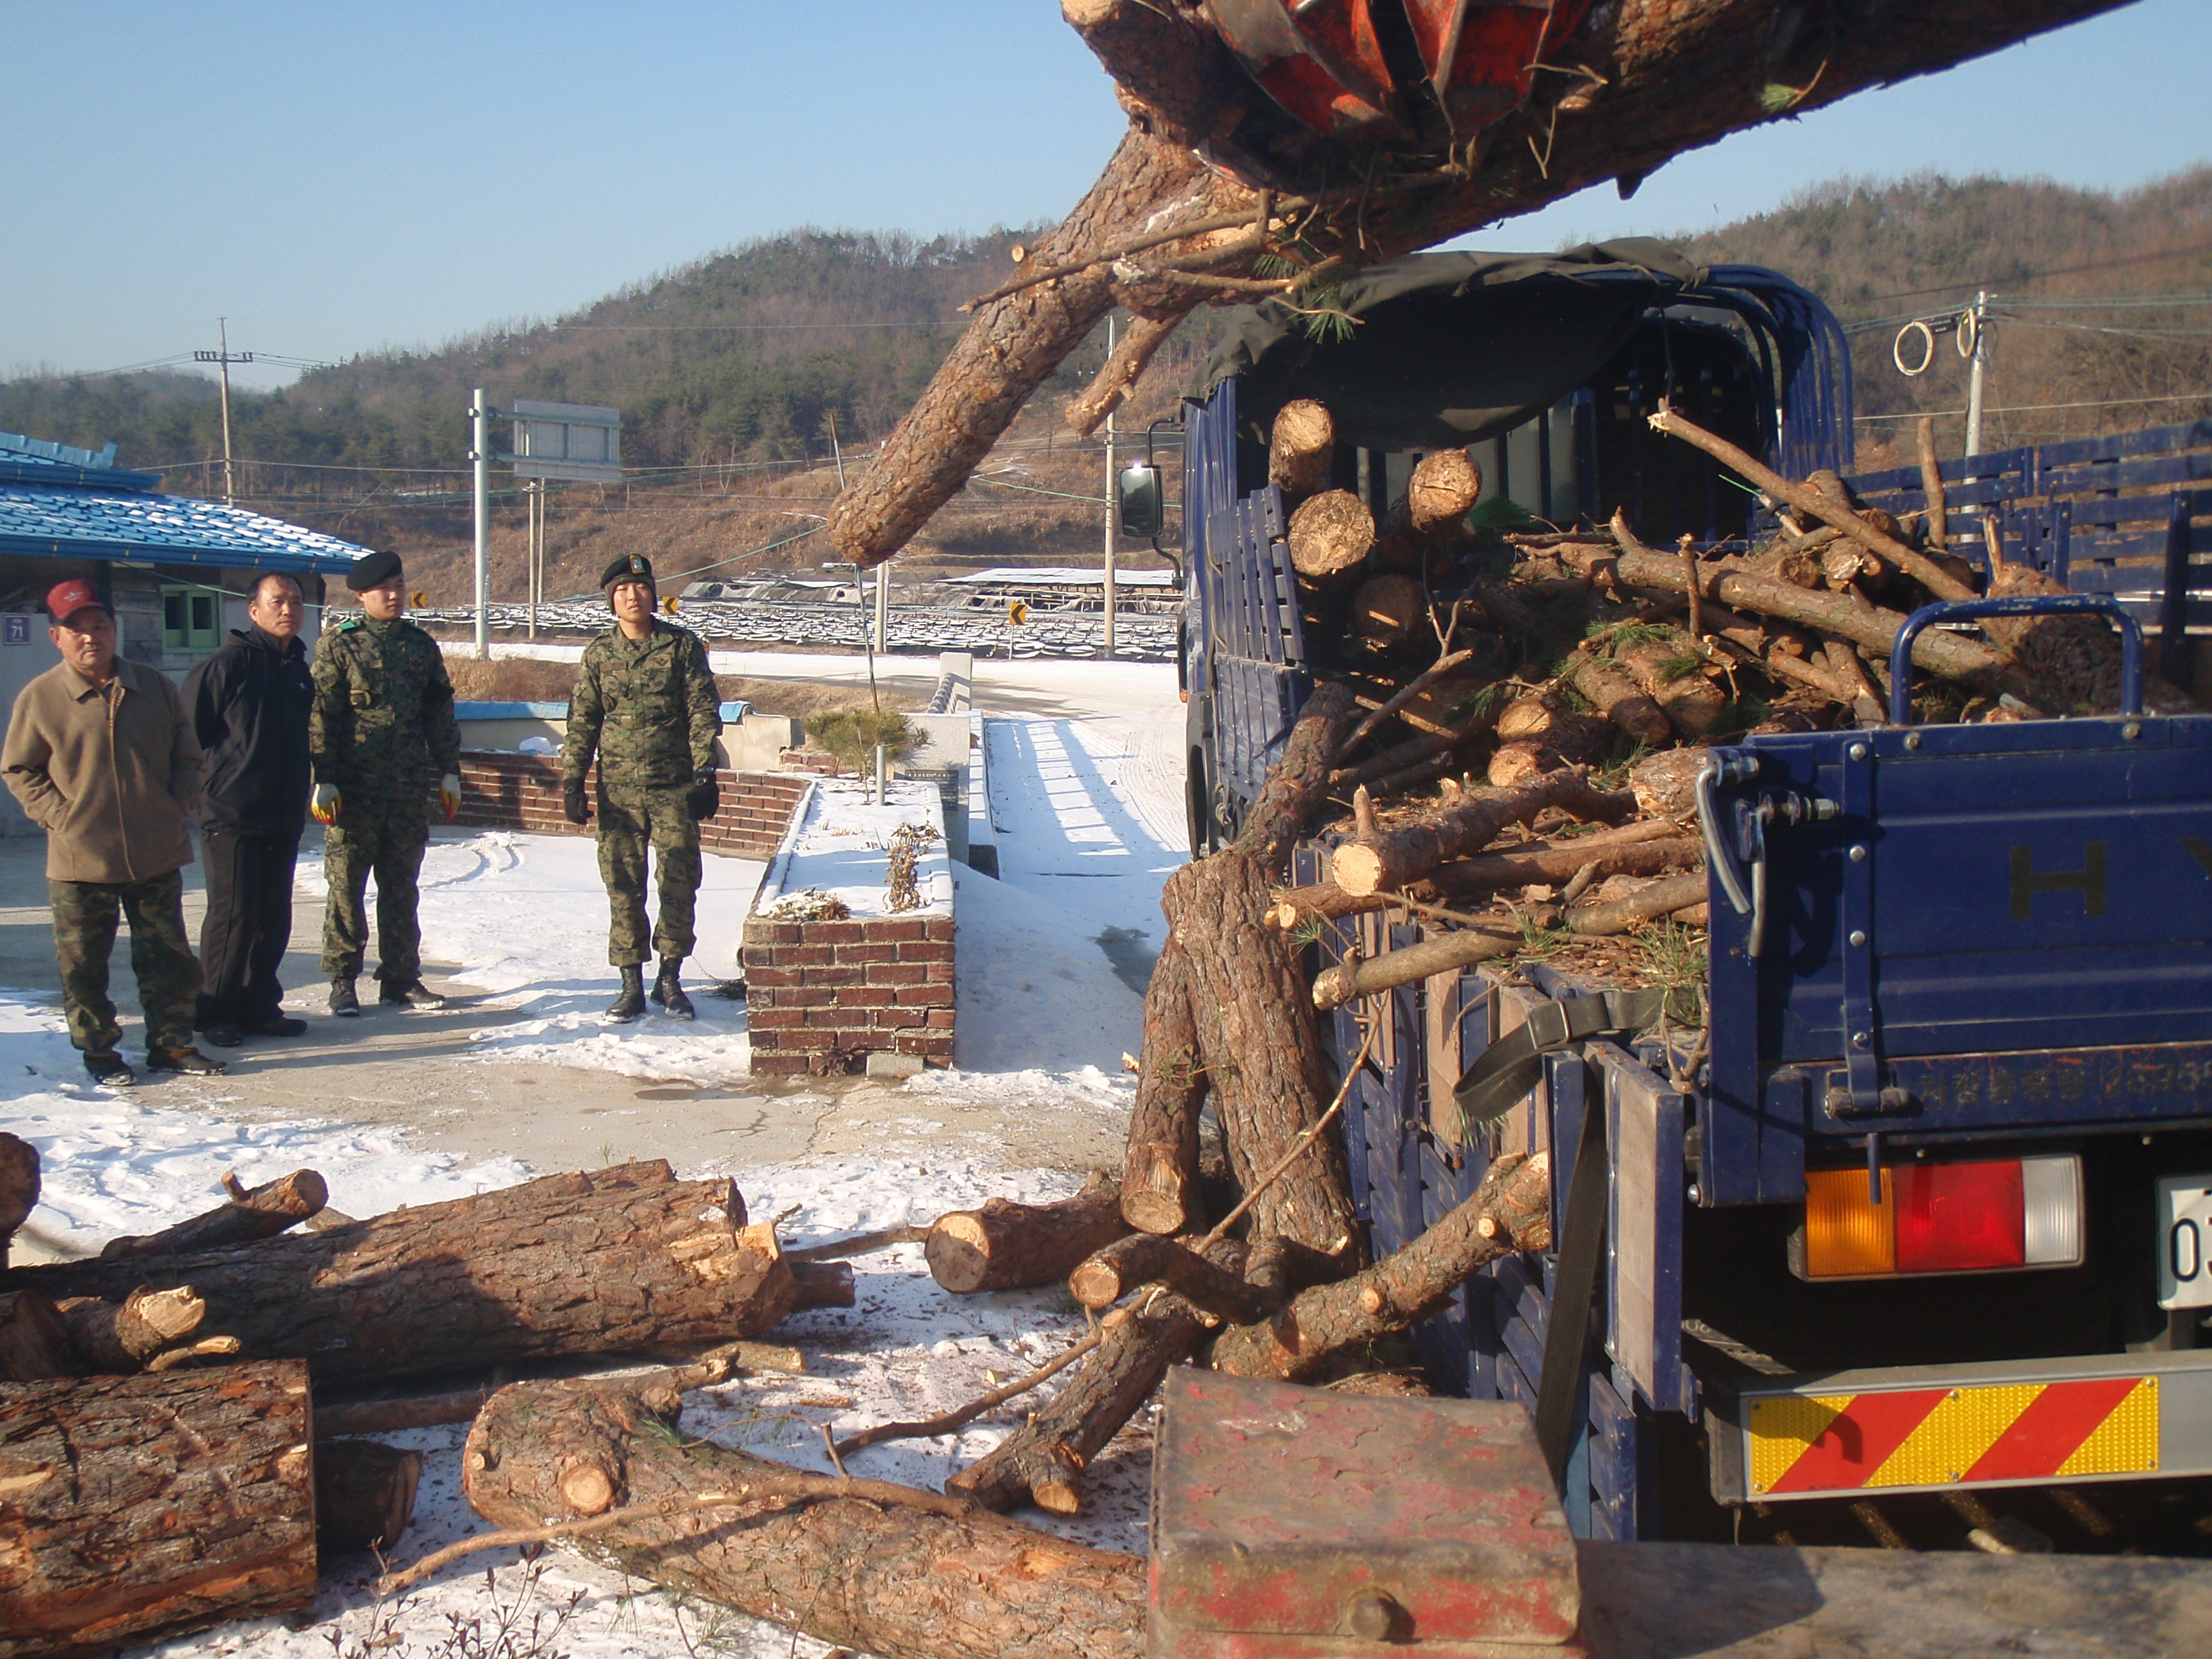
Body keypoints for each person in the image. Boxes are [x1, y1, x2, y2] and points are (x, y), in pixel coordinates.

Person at [1, 579, 224, 1085]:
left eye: (99, 626)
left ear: (114, 629)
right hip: (81, 860)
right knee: (83, 968)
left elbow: (188, 755)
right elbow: (19, 770)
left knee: (168, 960)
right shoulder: (41, 699)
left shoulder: (153, 688)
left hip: (156, 850)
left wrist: (175, 804)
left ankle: (172, 1044)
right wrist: (62, 817)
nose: (90, 638)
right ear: (55, 637)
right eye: (76, 629)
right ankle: (100, 1053)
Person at [561, 554, 722, 1022]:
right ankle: (629, 983)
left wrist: (705, 774)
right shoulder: (599, 654)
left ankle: (670, 980)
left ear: (654, 593)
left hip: (673, 788)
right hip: (619, 794)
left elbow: (701, 712)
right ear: (611, 599)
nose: (633, 596)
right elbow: (582, 722)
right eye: (622, 590)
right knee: (623, 887)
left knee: (678, 882)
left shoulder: (681, 646)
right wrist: (573, 780)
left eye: (641, 587)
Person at [309, 550, 462, 1016]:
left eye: (398, 586)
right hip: (354, 793)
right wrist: (324, 778)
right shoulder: (340, 645)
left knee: (401, 888)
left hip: (406, 789)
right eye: (383, 590)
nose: (394, 596)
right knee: (346, 889)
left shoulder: (420, 646)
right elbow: (322, 716)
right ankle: (342, 980)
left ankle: (400, 977)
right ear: (361, 596)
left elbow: (438, 712)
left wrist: (449, 770)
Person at [182, 572, 316, 1048]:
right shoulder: (227, 665)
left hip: (281, 813)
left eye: (296, 602)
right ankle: (216, 1010)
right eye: (277, 601)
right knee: (233, 916)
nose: (288, 610)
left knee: (274, 918)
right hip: (231, 812)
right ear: (253, 611)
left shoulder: (298, 670)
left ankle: (260, 1006)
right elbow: (186, 735)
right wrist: (197, 795)